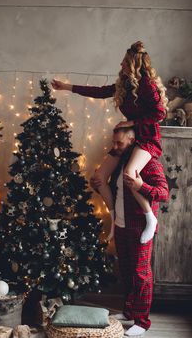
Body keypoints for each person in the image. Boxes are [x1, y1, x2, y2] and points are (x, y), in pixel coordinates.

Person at [51, 41, 168, 245]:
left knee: (129, 174)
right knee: (99, 178)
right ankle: (114, 220)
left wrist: (132, 122)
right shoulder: (124, 85)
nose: (121, 65)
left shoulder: (147, 85)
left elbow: (160, 113)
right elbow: (99, 92)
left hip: (146, 139)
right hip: (127, 139)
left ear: (133, 65)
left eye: (124, 62)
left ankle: (150, 218)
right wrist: (66, 87)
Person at [91, 126, 169, 336]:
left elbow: (163, 193)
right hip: (121, 224)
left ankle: (142, 321)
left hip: (140, 226)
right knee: (126, 270)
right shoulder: (119, 164)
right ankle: (129, 312)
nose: (114, 147)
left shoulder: (148, 163)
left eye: (119, 143)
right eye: (113, 142)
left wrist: (142, 185)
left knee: (141, 274)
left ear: (133, 140)